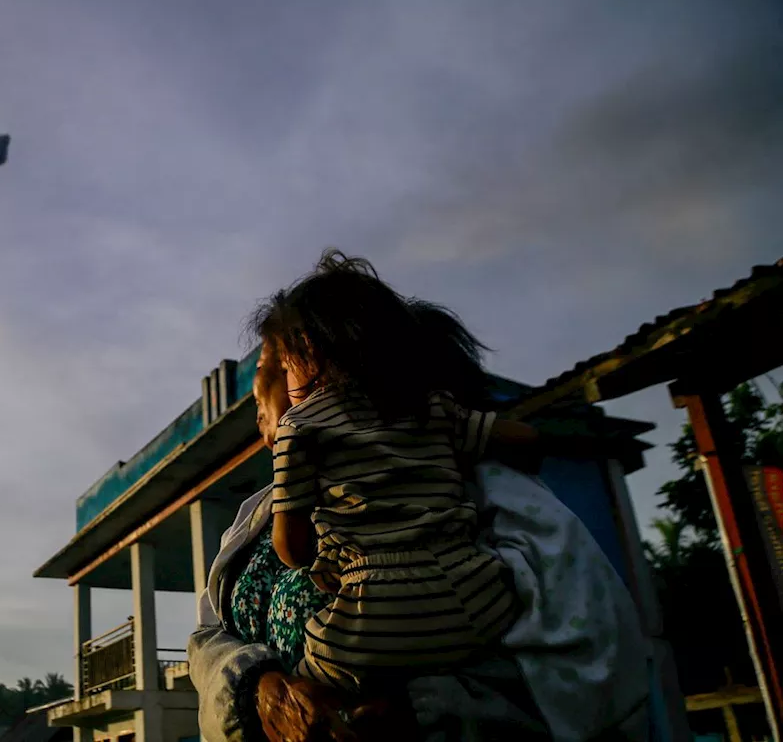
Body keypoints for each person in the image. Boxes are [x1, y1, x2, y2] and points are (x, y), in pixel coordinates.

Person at [188, 259, 652, 742]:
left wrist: (427, 712)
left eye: (272, 366)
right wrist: (260, 690)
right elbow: (207, 638)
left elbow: (595, 673)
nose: (260, 390)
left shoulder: (485, 495)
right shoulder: (256, 517)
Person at [253, 250, 535, 693]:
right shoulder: (431, 407)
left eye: (285, 366)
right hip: (477, 600)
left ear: (309, 355)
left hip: (374, 610)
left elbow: (290, 547)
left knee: (304, 693)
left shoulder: (300, 426)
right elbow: (522, 437)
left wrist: (319, 557)